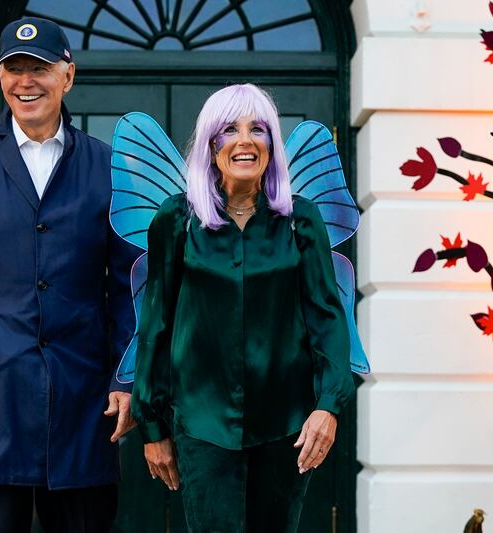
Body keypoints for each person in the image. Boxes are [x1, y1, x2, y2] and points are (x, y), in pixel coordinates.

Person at [0, 16, 138, 533]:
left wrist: (125, 376)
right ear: (1, 78)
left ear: (68, 76)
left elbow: (129, 284)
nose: (25, 80)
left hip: (84, 404)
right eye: (14, 68)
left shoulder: (108, 167)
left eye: (39, 67)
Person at [131, 84, 355, 532]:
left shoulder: (301, 220)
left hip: (286, 426)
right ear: (211, 144)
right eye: (229, 129)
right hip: (202, 424)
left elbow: (327, 319)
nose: (245, 140)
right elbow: (155, 325)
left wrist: (329, 406)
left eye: (259, 130)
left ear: (272, 144)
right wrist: (152, 426)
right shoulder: (175, 220)